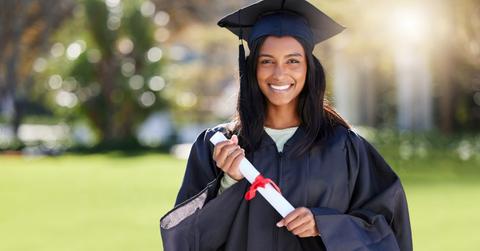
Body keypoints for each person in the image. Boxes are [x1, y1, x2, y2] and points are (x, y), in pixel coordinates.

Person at [160, 0, 413, 250]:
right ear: (252, 68)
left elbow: (387, 230)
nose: (279, 74)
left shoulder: (344, 147)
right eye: (267, 61)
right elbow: (186, 240)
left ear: (309, 68)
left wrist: (324, 225)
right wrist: (229, 182)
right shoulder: (218, 147)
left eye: (293, 61)